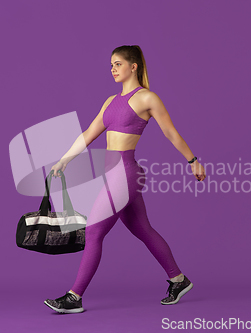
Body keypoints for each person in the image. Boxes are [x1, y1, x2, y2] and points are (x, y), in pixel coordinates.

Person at [44, 45, 206, 314]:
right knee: (143, 229)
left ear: (134, 66)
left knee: (94, 231)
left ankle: (74, 297)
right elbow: (88, 133)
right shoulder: (110, 101)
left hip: (125, 172)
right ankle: (179, 280)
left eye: (118, 64)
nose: (113, 69)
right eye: (111, 65)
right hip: (112, 173)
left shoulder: (147, 98)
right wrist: (63, 160)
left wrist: (193, 161)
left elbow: (171, 133)